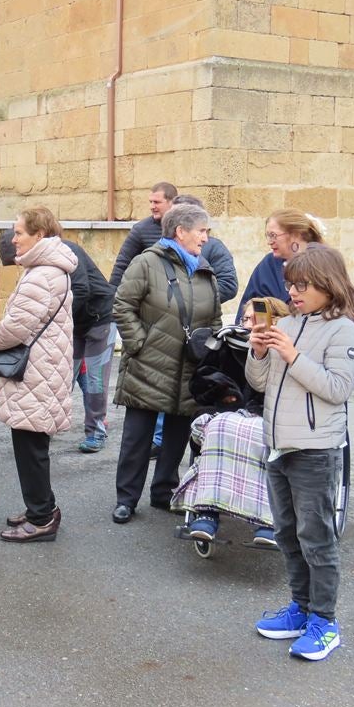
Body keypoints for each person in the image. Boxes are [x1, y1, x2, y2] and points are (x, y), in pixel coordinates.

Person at [247, 244, 354, 662]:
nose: (293, 293)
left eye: (302, 285)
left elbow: (336, 389)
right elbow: (260, 383)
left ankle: (325, 621)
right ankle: (300, 609)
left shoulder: (345, 331)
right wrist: (260, 350)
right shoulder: (290, 323)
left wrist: (292, 355)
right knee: (286, 533)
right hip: (278, 445)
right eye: (290, 285)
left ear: (327, 285)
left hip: (316, 450)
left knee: (317, 539)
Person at [111, 204, 223, 524]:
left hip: (189, 369)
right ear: (180, 232)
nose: (205, 237)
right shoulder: (146, 263)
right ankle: (126, 499)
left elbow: (214, 318)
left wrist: (209, 355)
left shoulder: (205, 269)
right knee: (137, 438)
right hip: (149, 366)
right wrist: (139, 345)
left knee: (177, 435)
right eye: (201, 230)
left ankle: (165, 492)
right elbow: (122, 305)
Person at [0, 207, 76, 542]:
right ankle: (41, 506)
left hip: (38, 372)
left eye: (19, 232)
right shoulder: (44, 269)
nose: (13, 238)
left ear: (39, 235)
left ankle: (42, 517)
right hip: (43, 369)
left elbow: (16, 328)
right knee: (30, 444)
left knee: (31, 446)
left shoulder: (42, 274)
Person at [173, 297, 291, 545]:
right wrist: (223, 389)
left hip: (269, 416)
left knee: (260, 434)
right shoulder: (226, 343)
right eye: (244, 318)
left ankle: (265, 520)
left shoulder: (285, 346)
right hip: (225, 412)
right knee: (219, 427)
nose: (247, 323)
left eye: (254, 318)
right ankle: (207, 511)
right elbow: (198, 383)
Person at [109, 182, 238, 304]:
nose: (152, 206)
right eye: (150, 202)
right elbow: (122, 268)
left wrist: (191, 301)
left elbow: (228, 285)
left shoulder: (212, 247)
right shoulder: (145, 239)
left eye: (157, 202)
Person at [62, 238, 116, 454]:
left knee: (95, 378)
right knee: (66, 374)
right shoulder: (38, 259)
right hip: (78, 322)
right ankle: (48, 426)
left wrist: (59, 322)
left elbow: (81, 290)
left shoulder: (68, 251)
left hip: (99, 319)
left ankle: (96, 431)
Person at [237, 209, 326, 314]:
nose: (269, 242)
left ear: (295, 234)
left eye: (273, 235)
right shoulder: (268, 265)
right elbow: (247, 309)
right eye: (268, 236)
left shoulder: (323, 264)